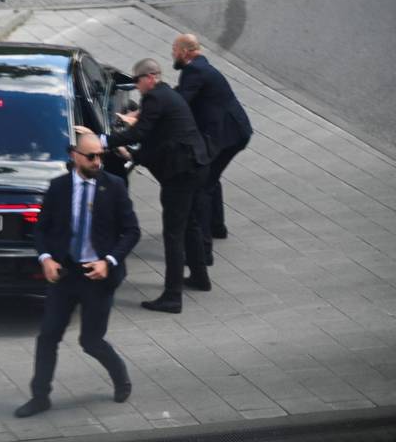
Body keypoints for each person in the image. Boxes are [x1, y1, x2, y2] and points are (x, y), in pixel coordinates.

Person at [15, 134, 140, 418]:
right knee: (47, 336)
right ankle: (40, 396)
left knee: (91, 341)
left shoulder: (114, 186)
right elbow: (42, 228)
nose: (97, 162)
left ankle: (121, 378)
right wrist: (45, 258)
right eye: (91, 156)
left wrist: (108, 261)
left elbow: (131, 231)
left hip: (97, 276)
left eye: (100, 156)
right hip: (66, 273)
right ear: (75, 155)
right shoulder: (59, 188)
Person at [78, 58, 210, 314]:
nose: (137, 87)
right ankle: (199, 276)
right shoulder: (168, 94)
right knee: (191, 223)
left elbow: (139, 133)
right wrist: (136, 156)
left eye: (138, 81)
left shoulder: (155, 98)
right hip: (196, 165)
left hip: (180, 172)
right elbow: (159, 137)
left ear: (149, 77)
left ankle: (172, 296)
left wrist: (100, 141)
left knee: (173, 233)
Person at [172, 34, 252, 256]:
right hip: (235, 132)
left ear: (185, 51)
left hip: (227, 136)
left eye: (175, 50)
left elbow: (180, 103)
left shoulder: (194, 70)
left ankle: (202, 247)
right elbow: (183, 94)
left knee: (203, 185)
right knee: (212, 177)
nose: (173, 55)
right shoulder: (199, 67)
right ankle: (218, 227)